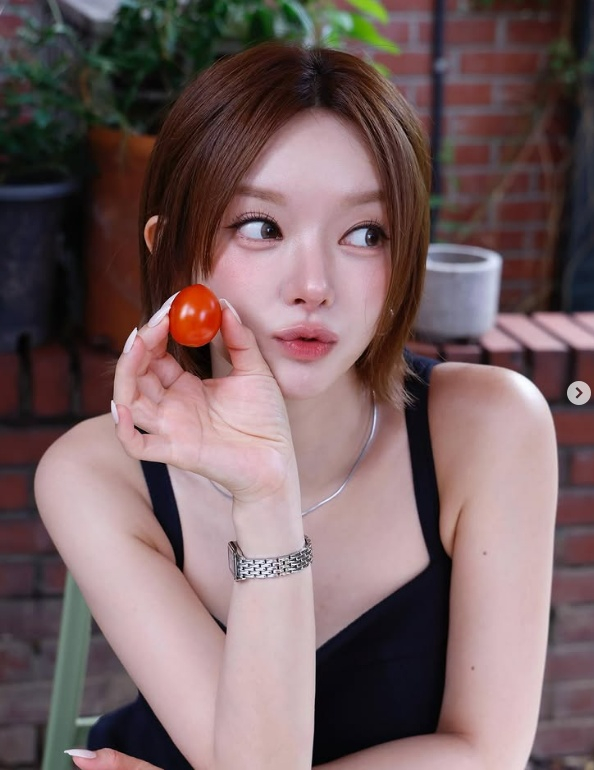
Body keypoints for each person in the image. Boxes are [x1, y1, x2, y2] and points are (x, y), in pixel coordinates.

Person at [35, 42, 558, 770]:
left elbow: (487, 752)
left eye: (365, 234)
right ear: (172, 251)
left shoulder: (491, 429)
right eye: (261, 227)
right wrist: (265, 493)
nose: (313, 284)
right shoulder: (95, 472)